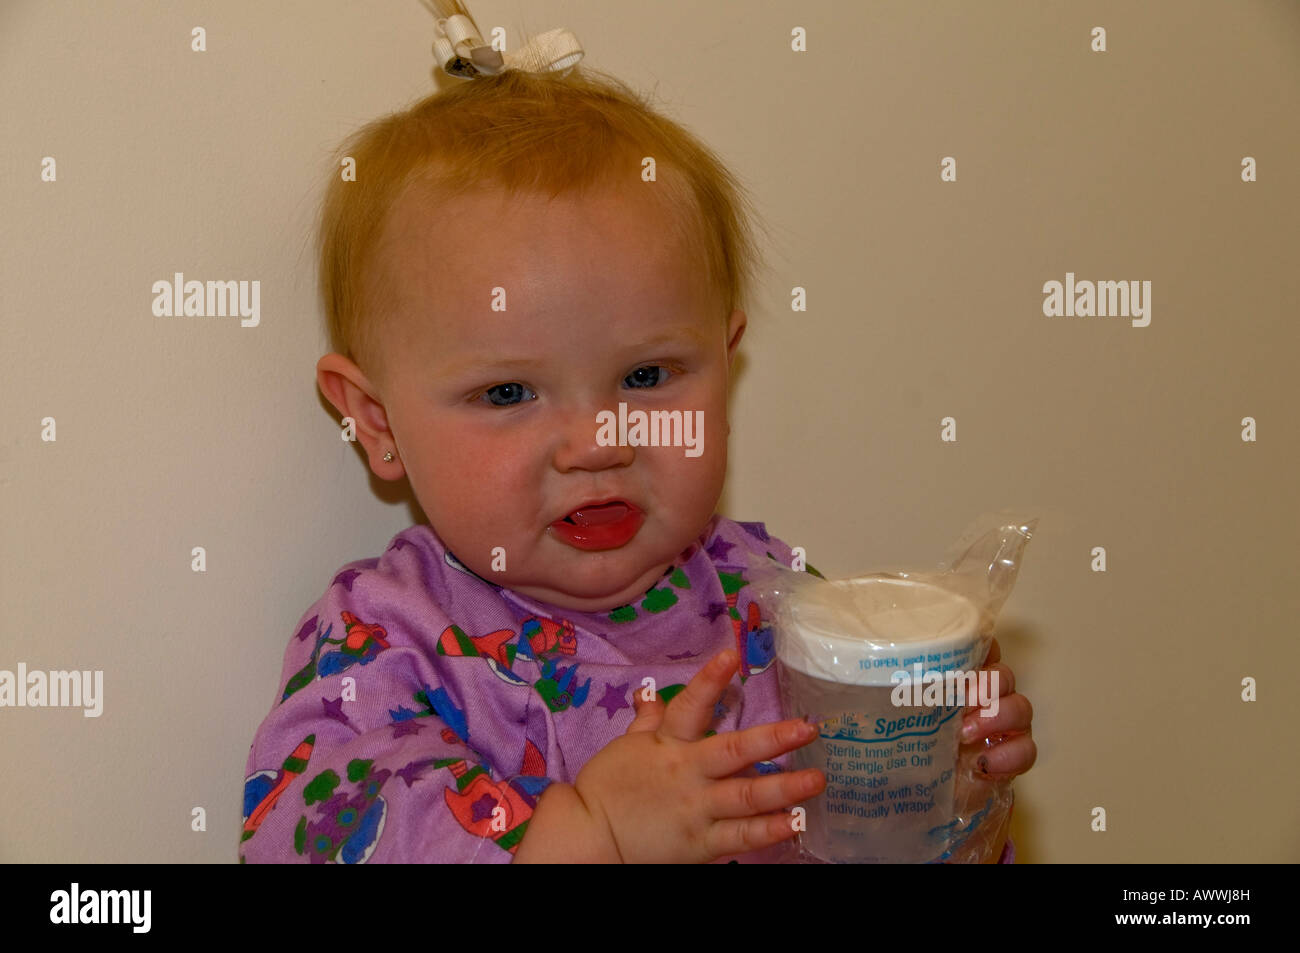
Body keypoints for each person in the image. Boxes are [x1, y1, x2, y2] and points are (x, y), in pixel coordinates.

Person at [240, 59, 1036, 864]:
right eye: (509, 391)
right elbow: (313, 831)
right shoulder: (387, 642)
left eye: (647, 377)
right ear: (375, 421)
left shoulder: (770, 602)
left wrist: (938, 797)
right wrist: (594, 838)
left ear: (725, 366)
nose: (599, 443)